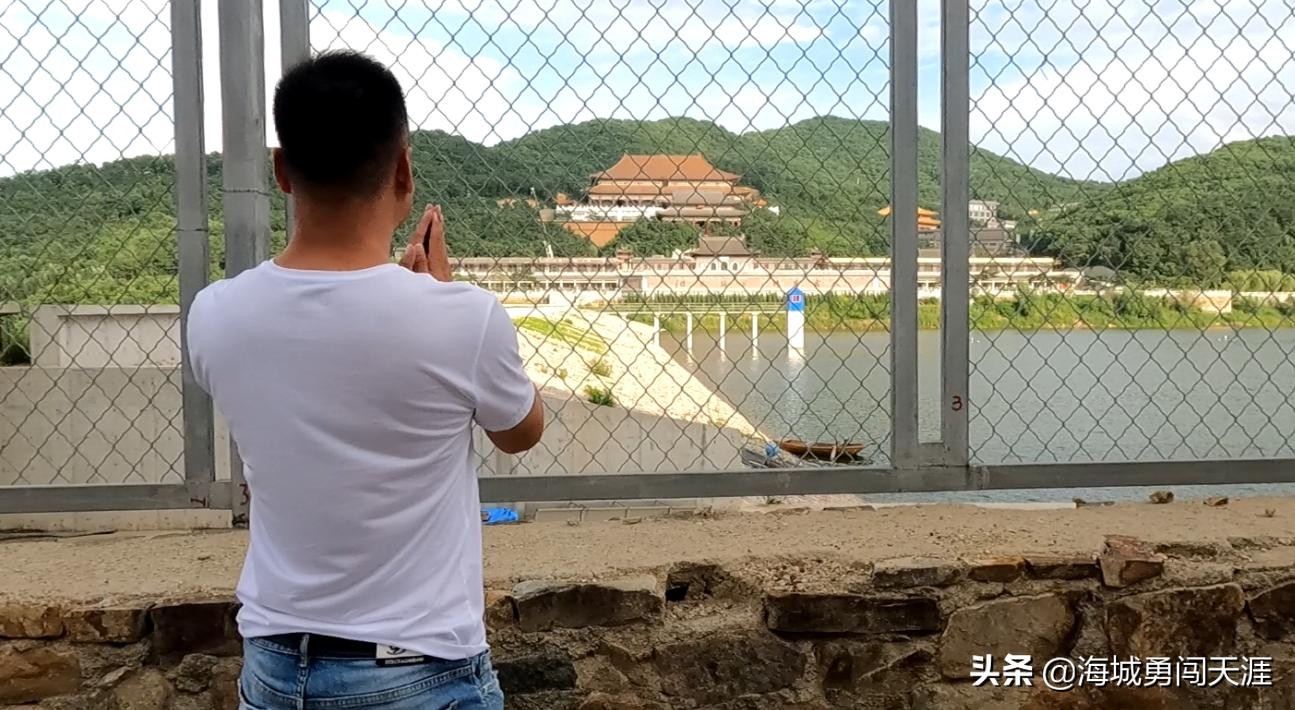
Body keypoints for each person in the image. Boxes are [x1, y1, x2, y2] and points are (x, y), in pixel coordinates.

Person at [187, 50, 544, 709]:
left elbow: (316, 378)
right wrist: (436, 300)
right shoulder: (462, 319)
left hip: (274, 665)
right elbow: (520, 432)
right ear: (403, 169)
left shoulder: (214, 316)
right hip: (419, 669)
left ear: (281, 170)